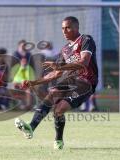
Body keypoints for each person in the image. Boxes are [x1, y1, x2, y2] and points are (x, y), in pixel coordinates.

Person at [14, 16, 98, 150]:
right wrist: (34, 82)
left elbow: (84, 63)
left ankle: (57, 139)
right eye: (63, 28)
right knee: (53, 96)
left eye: (68, 27)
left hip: (86, 81)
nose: (64, 31)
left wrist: (59, 67)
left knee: (60, 109)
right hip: (71, 80)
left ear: (76, 28)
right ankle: (31, 127)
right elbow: (56, 73)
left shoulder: (86, 40)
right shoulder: (65, 49)